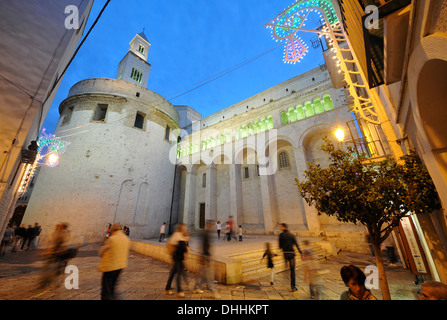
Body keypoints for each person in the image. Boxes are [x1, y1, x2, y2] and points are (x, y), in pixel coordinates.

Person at [98, 223, 131, 300]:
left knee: (106, 288)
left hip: (110, 266)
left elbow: (101, 252)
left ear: (113, 230)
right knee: (112, 285)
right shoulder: (126, 239)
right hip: (121, 266)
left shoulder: (112, 239)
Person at [193, 220, 220, 299]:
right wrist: (205, 258)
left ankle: (196, 287)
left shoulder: (206, 232)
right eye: (212, 225)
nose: (213, 226)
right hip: (206, 256)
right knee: (208, 275)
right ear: (209, 225)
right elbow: (204, 246)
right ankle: (213, 291)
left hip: (205, 256)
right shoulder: (206, 233)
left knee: (202, 273)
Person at [165, 223, 189, 297]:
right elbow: (181, 247)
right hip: (177, 257)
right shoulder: (178, 235)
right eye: (184, 228)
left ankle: (167, 288)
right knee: (178, 274)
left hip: (177, 257)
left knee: (173, 273)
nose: (185, 229)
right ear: (181, 228)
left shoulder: (178, 235)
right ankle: (179, 291)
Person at [278, 223, 302, 292]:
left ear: (283, 227)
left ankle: (286, 265)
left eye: (281, 227)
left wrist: (283, 248)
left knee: (289, 267)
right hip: (291, 254)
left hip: (285, 254)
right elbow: (296, 245)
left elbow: (280, 246)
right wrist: (301, 253)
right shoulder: (291, 235)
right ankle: (293, 286)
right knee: (293, 271)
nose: (280, 228)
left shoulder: (281, 235)